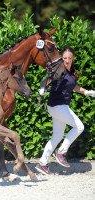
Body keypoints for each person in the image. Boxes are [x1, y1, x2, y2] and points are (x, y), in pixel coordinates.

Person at [35, 46, 95, 175]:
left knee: (56, 136)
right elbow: (47, 79)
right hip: (57, 105)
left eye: (69, 58)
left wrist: (87, 92)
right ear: (62, 58)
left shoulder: (72, 72)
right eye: (64, 58)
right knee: (79, 127)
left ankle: (42, 163)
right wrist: (42, 88)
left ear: (73, 59)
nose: (67, 60)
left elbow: (73, 86)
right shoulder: (58, 69)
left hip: (61, 107)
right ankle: (61, 152)